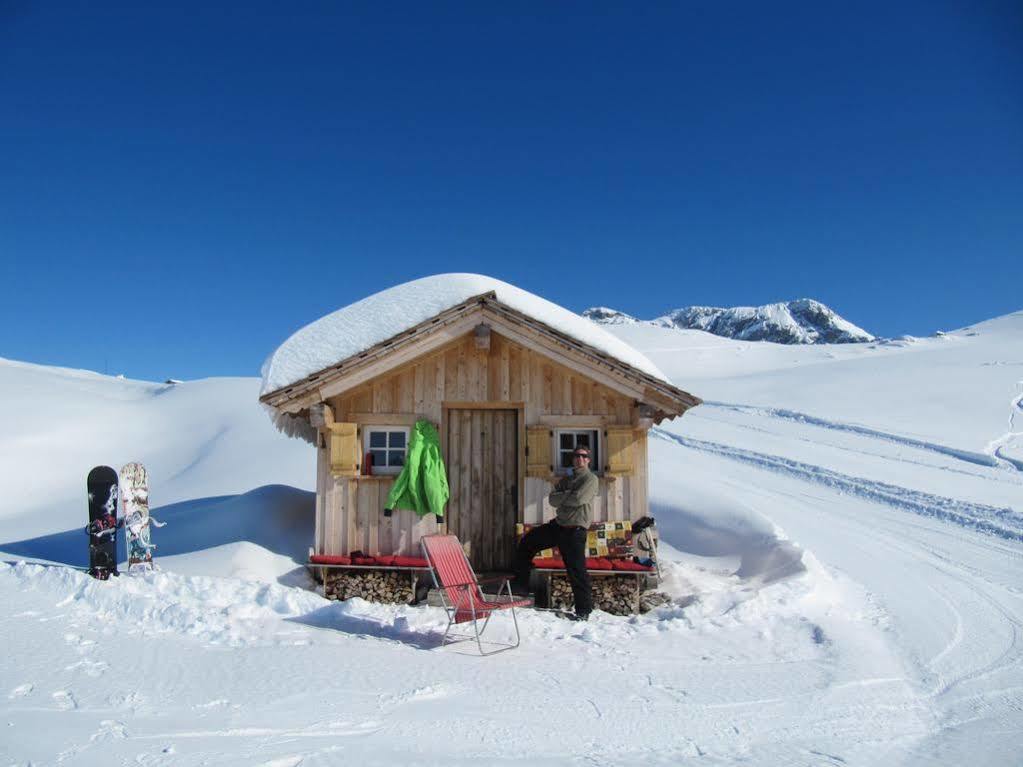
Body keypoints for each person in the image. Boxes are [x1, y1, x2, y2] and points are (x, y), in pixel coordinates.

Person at [511, 446, 598, 620]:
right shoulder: (568, 478)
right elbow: (552, 499)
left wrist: (564, 495)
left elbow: (579, 499)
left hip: (575, 530)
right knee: (528, 541)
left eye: (583, 456)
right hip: (558, 526)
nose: (579, 458)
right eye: (576, 456)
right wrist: (568, 494)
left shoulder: (590, 479)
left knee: (577, 571)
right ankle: (521, 585)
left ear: (588, 459)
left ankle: (584, 611)